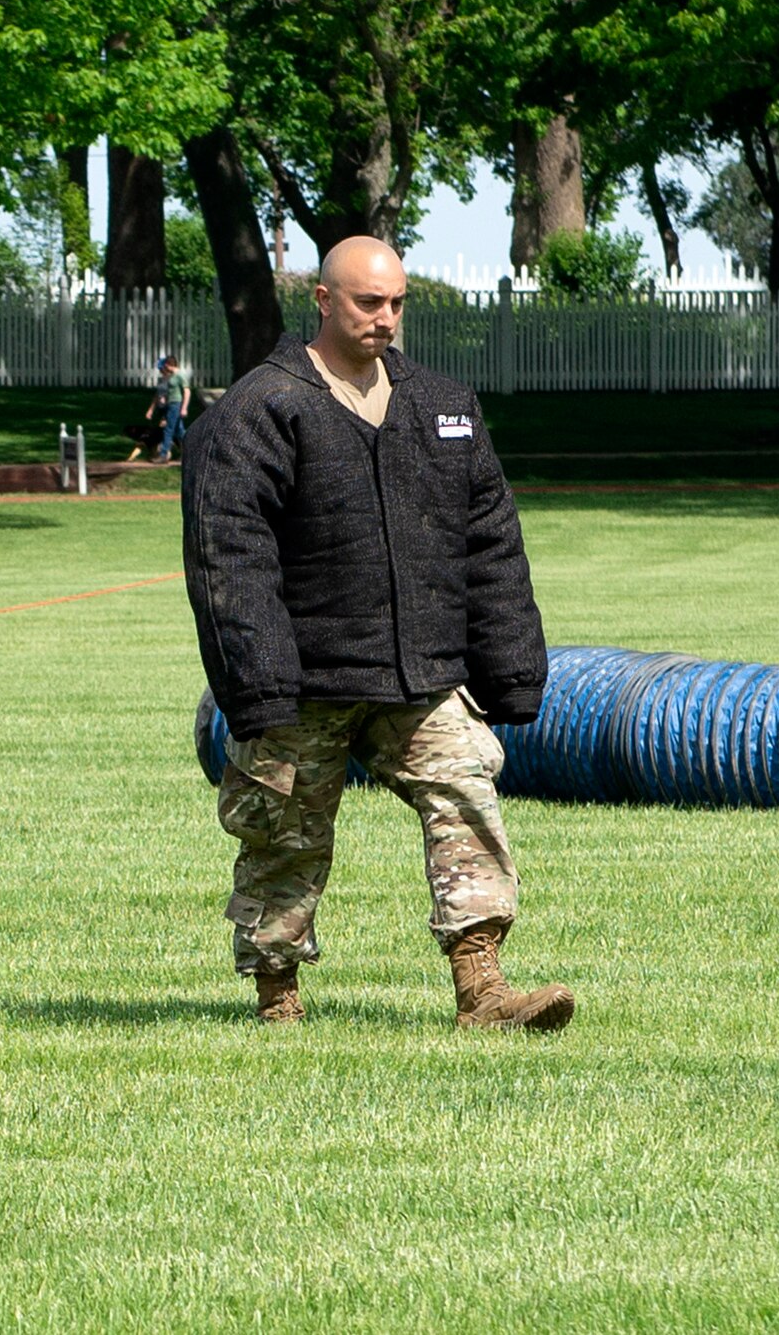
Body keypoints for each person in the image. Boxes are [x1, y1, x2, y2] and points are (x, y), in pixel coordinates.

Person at [180, 236, 572, 1029]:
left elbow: (490, 542)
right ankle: (276, 994)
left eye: (395, 303)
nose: (384, 318)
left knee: (466, 792)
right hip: (304, 680)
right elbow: (230, 557)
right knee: (283, 835)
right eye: (367, 302)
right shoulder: (260, 409)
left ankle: (483, 987)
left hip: (419, 673)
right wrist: (260, 684)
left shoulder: (443, 403)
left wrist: (510, 670)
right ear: (322, 301)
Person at [145, 354, 190, 462]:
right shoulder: (172, 376)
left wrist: (184, 408)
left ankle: (163, 454)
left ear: (169, 364)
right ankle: (192, 451)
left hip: (176, 404)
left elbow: (187, 391)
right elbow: (166, 391)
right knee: (179, 431)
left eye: (165, 365)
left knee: (168, 429)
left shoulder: (180, 375)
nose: (163, 368)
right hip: (170, 403)